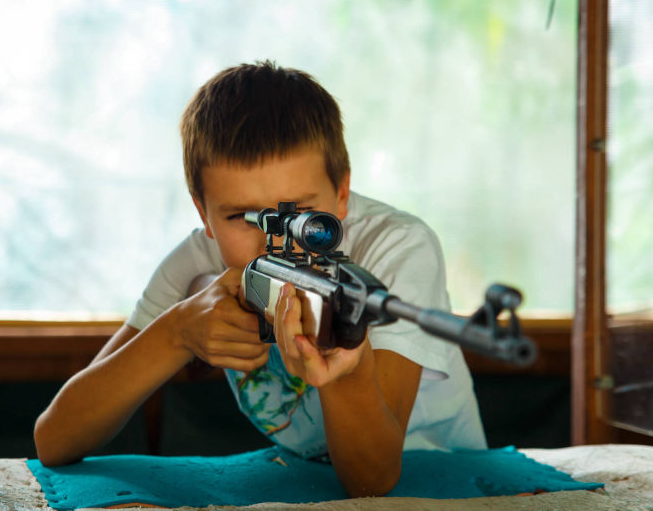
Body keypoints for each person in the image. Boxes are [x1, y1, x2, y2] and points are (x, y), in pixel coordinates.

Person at [34, 61, 486, 497]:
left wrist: (346, 368)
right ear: (203, 213)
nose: (275, 242)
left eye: (301, 215)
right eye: (243, 217)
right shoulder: (198, 262)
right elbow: (55, 439)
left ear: (342, 194)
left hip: (449, 480)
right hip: (307, 482)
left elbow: (374, 481)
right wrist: (177, 333)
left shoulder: (396, 248)